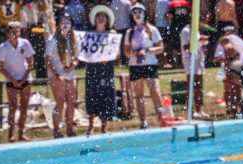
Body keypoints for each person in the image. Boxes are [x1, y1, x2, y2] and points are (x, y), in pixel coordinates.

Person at [124, 5, 164, 129]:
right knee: (139, 95)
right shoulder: (129, 32)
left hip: (150, 64)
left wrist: (146, 50)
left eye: (139, 11)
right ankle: (143, 122)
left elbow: (161, 48)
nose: (137, 14)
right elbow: (126, 52)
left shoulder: (152, 29)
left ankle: (162, 118)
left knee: (156, 93)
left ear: (144, 13)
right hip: (135, 66)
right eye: (134, 12)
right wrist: (134, 53)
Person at [0, 21, 35, 142]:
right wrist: (13, 80)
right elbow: (1, 67)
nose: (15, 34)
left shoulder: (25, 43)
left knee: (24, 107)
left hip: (25, 78)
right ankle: (10, 134)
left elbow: (31, 62)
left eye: (17, 31)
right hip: (11, 79)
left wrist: (24, 78)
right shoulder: (3, 47)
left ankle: (21, 134)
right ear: (8, 33)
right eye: (13, 31)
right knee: (12, 107)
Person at [84, 6, 118, 134]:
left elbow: (115, 53)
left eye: (103, 16)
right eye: (99, 16)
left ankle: (104, 126)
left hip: (106, 68)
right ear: (95, 18)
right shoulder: (89, 35)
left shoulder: (112, 34)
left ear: (107, 19)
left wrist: (104, 57)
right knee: (92, 95)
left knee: (105, 95)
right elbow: (85, 54)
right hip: (93, 68)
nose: (101, 18)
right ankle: (91, 126)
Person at [46, 14, 78, 138]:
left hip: (70, 75)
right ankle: (56, 131)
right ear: (58, 25)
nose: (65, 25)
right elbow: (47, 60)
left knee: (71, 103)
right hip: (57, 75)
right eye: (63, 22)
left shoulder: (72, 39)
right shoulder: (52, 39)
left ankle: (70, 130)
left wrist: (73, 65)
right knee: (60, 103)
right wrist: (55, 74)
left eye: (68, 22)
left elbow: (76, 58)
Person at [180, 22, 208, 119]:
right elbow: (185, 47)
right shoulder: (186, 31)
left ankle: (199, 110)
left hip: (198, 61)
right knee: (191, 86)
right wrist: (199, 40)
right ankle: (190, 111)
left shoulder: (196, 30)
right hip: (190, 62)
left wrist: (201, 42)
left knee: (199, 86)